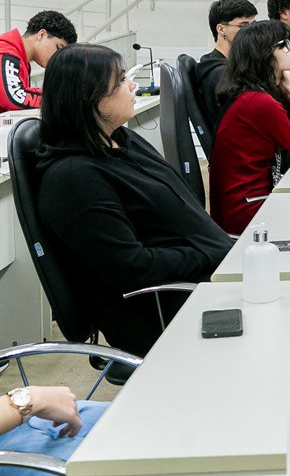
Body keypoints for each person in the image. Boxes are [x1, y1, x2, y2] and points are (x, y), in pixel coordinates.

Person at [35, 44, 233, 356]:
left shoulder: (121, 140)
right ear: (90, 97)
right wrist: (206, 253)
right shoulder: (74, 179)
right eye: (121, 80)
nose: (132, 86)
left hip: (199, 279)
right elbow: (134, 268)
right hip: (159, 309)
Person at [209, 20, 290, 235]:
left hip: (247, 205)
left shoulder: (253, 94)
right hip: (249, 213)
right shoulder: (259, 102)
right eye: (285, 45)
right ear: (264, 55)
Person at [1, 385, 107, 467]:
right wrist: (36, 398)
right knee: (106, 461)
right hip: (7, 453)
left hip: (15, 418)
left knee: (111, 416)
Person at [193, 0, 257, 125]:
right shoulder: (219, 74)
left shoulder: (225, 65)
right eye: (243, 26)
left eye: (254, 26)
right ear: (221, 29)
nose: (252, 32)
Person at [0, 11, 76, 113]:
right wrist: (62, 99)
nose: (57, 57)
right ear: (41, 35)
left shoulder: (17, 58)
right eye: (58, 48)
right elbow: (15, 97)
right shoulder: (6, 52)